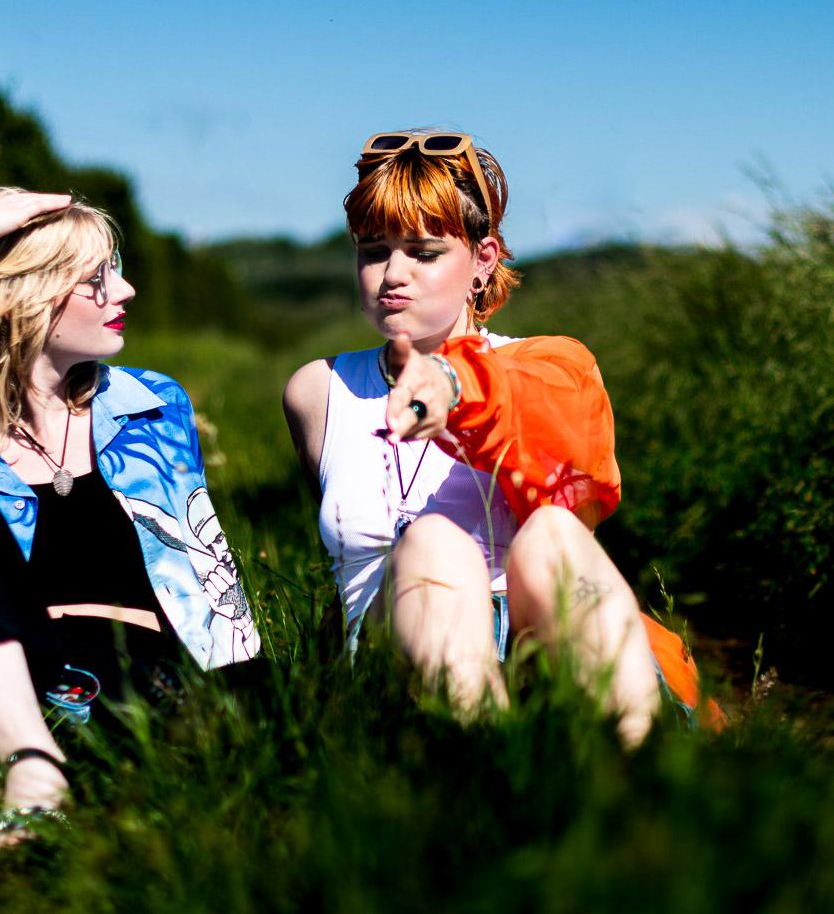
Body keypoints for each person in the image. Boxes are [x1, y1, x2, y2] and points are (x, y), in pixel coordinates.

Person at [283, 131, 720, 744]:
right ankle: (481, 762)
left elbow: (561, 435)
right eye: (374, 250)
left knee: (555, 535)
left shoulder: (553, 366)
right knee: (432, 542)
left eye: (424, 252)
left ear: (483, 259)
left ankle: (640, 764)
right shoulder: (318, 391)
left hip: (547, 645)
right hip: (393, 657)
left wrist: (453, 386)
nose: (392, 274)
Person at [0, 188, 262, 818]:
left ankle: (46, 802)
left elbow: (207, 582)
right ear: (25, 294)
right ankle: (29, 768)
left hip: (153, 688)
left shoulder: (153, 408)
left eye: (115, 272)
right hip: (7, 701)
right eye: (97, 279)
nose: (124, 293)